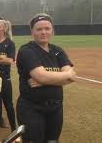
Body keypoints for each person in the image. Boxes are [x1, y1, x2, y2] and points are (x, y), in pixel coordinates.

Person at [16, 13, 76, 143]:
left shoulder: (58, 51)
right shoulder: (27, 51)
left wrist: (44, 81)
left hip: (56, 108)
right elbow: (41, 76)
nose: (44, 32)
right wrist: (65, 75)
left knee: (53, 141)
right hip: (32, 108)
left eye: (47, 28)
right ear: (32, 31)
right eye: (39, 29)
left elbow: (72, 76)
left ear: (52, 30)